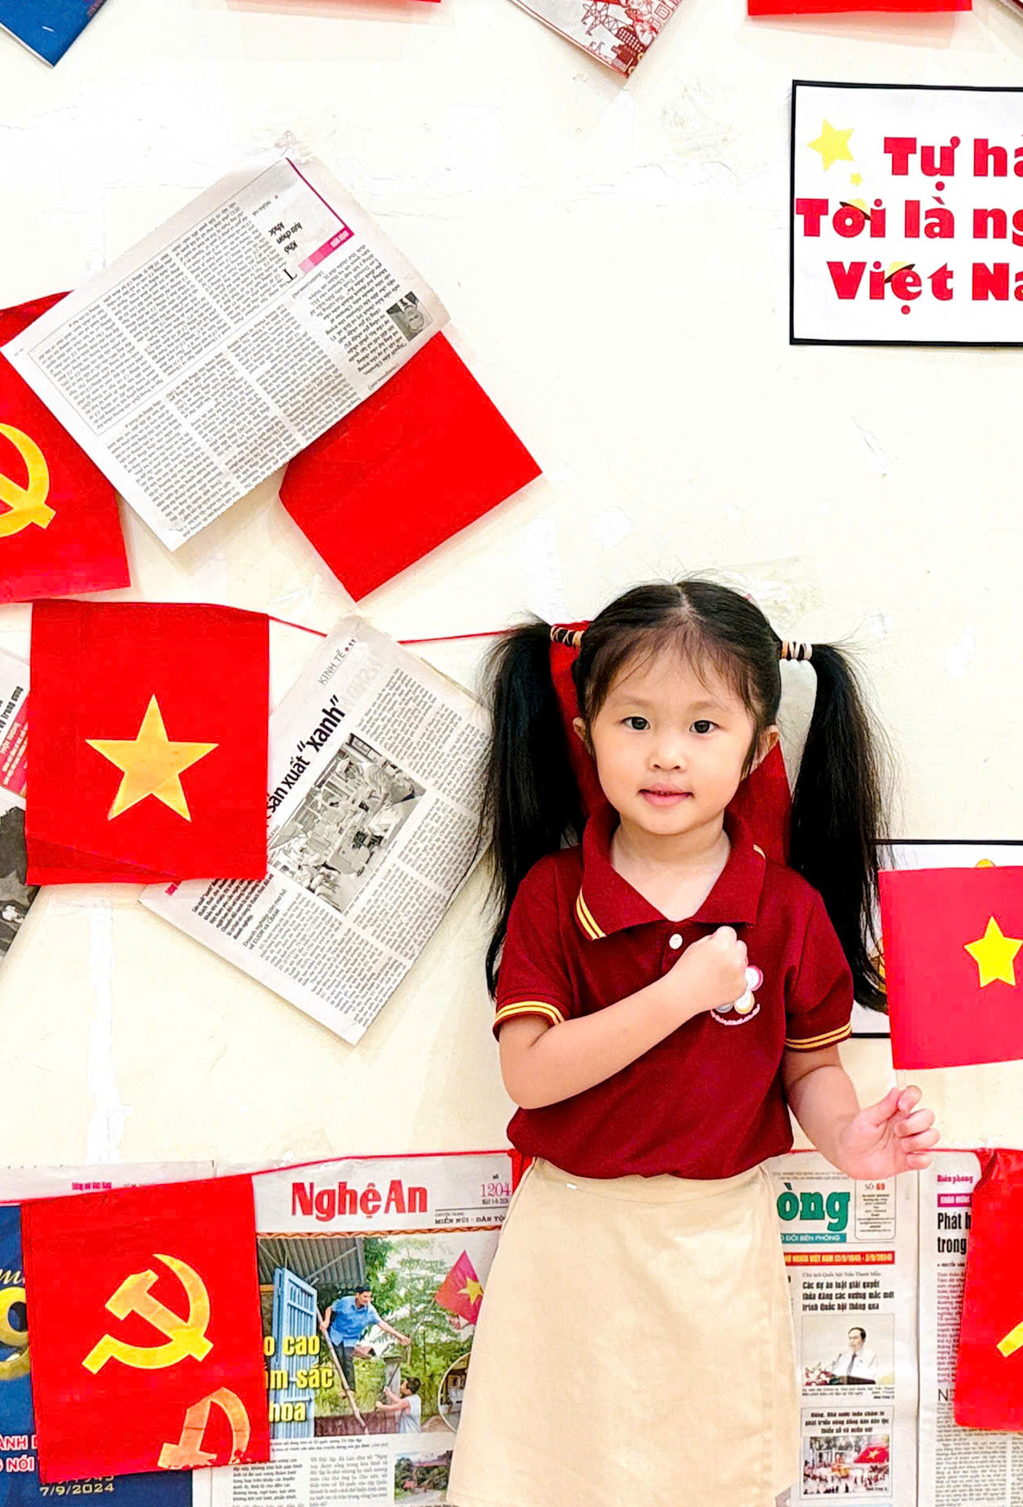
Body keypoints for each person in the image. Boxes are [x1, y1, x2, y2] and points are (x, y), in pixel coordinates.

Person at [446, 581, 938, 1507]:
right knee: (546, 1480)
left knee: (714, 1480)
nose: (667, 753)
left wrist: (848, 1137)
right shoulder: (554, 892)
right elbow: (531, 1072)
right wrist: (680, 994)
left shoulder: (787, 908)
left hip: (717, 1245)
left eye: (704, 726)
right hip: (571, 1239)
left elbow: (811, 1066)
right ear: (587, 733)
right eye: (635, 721)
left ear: (759, 749)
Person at [327, 1287, 408, 1398]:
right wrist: (326, 1322)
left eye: (369, 1297)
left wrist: (399, 1336)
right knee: (340, 1357)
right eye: (364, 1296)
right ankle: (344, 1387)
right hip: (337, 1333)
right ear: (357, 1295)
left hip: (351, 1338)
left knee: (347, 1357)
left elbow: (382, 1324)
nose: (367, 1300)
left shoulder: (370, 1311)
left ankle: (350, 1389)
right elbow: (329, 1309)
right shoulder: (345, 1302)